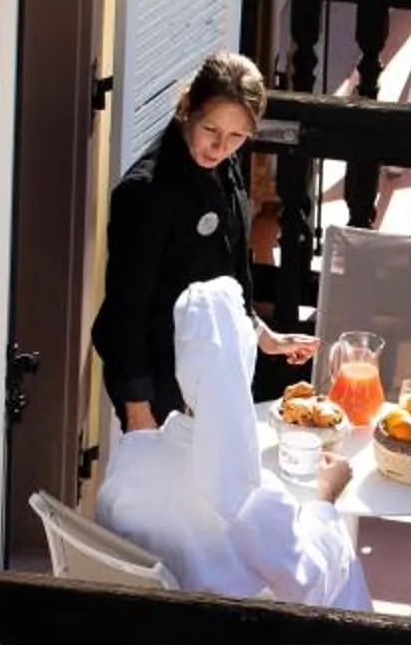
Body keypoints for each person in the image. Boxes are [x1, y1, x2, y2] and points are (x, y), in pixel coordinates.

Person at [95, 278, 370, 619]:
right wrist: (326, 501)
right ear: (243, 367)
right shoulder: (251, 495)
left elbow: (109, 545)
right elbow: (312, 586)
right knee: (345, 567)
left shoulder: (131, 457)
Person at [91, 51, 316, 431]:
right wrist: (138, 411)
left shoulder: (224, 167)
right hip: (157, 381)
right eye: (211, 130)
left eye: (236, 136)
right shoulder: (146, 192)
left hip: (207, 373)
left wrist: (261, 334)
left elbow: (227, 266)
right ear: (187, 107)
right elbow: (124, 312)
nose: (220, 147)